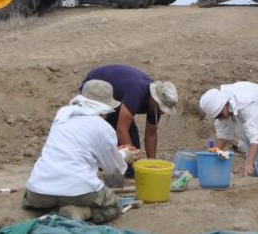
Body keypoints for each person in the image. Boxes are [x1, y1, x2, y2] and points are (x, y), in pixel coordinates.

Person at [22, 80, 136, 223]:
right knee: (112, 205)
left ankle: (56, 205)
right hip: (77, 188)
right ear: (105, 108)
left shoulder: (62, 114)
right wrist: (124, 155)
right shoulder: (102, 127)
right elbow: (112, 168)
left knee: (51, 195)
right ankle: (80, 211)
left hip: (38, 190)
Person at [81, 64, 178, 177]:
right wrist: (136, 166)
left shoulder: (156, 106)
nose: (162, 112)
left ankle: (124, 175)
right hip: (96, 90)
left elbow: (151, 134)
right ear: (154, 99)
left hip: (118, 99)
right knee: (111, 139)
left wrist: (152, 166)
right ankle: (107, 175)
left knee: (132, 145)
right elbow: (121, 129)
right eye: (161, 107)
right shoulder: (136, 92)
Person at [198, 81, 258, 177]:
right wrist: (212, 155)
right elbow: (224, 134)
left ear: (224, 105)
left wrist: (249, 164)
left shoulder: (245, 102)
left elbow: (255, 137)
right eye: (216, 117)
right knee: (255, 169)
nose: (220, 118)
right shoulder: (224, 105)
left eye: (220, 115)